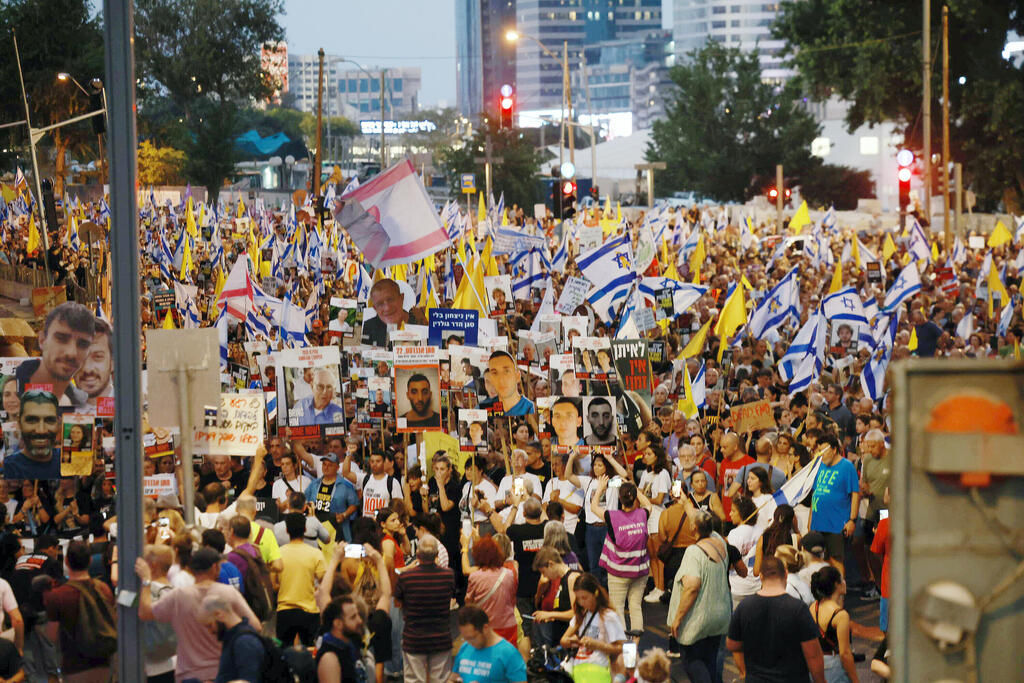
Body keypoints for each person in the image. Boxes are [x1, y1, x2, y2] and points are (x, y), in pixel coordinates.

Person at [135, 547, 260, 683]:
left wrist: (146, 581)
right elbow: (256, 626)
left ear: (191, 569)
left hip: (188, 674)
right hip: (222, 672)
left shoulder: (179, 596)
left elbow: (144, 613)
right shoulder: (228, 593)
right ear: (215, 567)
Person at [726, 556, 827, 683]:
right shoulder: (798, 608)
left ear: (761, 576)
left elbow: (732, 644)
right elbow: (813, 655)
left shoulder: (744, 607)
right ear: (786, 574)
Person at [667, 509, 732, 683]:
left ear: (694, 528)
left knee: (692, 660)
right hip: (719, 615)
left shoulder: (694, 552)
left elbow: (692, 587)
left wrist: (678, 618)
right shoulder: (720, 543)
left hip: (698, 620)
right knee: (710, 660)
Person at [44, 540, 117, 682]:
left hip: (74, 665)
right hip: (103, 663)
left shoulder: (58, 595)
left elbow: (52, 635)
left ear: (66, 561)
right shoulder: (103, 589)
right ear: (90, 561)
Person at [394, 536, 456, 683]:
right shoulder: (448, 575)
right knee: (440, 680)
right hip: (441, 638)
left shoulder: (406, 578)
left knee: (414, 680)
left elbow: (397, 603)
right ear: (436, 555)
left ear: (418, 554)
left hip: (413, 639)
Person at [592, 477, 651, 632]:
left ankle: (623, 643)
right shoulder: (643, 514)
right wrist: (634, 488)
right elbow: (648, 504)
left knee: (617, 608)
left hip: (618, 572)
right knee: (635, 607)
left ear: (620, 498)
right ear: (634, 498)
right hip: (639, 571)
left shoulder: (612, 517)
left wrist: (600, 488)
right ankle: (635, 644)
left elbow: (593, 507)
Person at [15, 302, 95, 408]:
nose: (71, 353)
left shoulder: (83, 403)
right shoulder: (11, 389)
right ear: (42, 340)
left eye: (83, 344)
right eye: (61, 339)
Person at [559, 573, 626, 683]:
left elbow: (621, 648)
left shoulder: (608, 616)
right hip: (578, 670)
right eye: (578, 598)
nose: (581, 602)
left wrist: (598, 645)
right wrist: (572, 641)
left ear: (595, 593)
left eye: (585, 598)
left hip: (599, 670)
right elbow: (563, 640)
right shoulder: (581, 615)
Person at [276, 512, 326, 647]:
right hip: (309, 611)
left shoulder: (278, 553)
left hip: (284, 610)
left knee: (282, 652)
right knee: (311, 650)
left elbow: (274, 584)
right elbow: (324, 581)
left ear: (287, 530)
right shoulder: (316, 554)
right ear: (305, 529)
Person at [809, 432, 859, 563]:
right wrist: (810, 524)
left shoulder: (847, 467)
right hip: (818, 524)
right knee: (818, 562)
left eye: (824, 450)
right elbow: (815, 494)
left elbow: (855, 494)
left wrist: (852, 520)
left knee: (836, 561)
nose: (821, 454)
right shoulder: (819, 466)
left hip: (837, 524)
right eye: (819, 451)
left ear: (834, 449)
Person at [196, 593, 266, 683]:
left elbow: (249, 680)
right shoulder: (234, 639)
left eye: (210, 625)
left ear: (219, 614)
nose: (210, 632)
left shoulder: (244, 642)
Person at [450, 605, 528, 683]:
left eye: (472, 638)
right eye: (465, 638)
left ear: (485, 628)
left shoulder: (508, 653)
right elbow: (452, 678)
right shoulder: (465, 647)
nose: (469, 642)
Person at [463, 535, 518, 645]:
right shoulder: (509, 574)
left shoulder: (475, 576)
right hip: (508, 626)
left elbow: (469, 602)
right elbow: (512, 599)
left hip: (485, 627)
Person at [809, 565, 859, 683]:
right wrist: (855, 680)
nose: (844, 582)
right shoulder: (840, 615)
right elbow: (845, 654)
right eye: (842, 579)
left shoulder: (813, 607)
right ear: (837, 584)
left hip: (817, 665)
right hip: (835, 668)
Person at [3, 391, 61, 480]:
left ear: (58, 423)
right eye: (32, 420)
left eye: (49, 420)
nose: (41, 431)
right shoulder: (8, 467)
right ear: (19, 423)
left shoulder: (69, 460)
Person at [316, 596, 375, 683]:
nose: (359, 620)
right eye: (353, 617)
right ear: (338, 624)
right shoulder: (329, 659)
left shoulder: (348, 647)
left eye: (358, 615)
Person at [303, 452, 359, 542]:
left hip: (338, 529)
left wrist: (344, 515)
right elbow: (305, 500)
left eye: (330, 465)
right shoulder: (314, 484)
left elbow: (354, 504)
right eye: (324, 464)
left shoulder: (345, 485)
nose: (326, 467)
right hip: (317, 528)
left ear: (337, 467)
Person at [531, 546, 581, 647]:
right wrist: (550, 617)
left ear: (551, 564)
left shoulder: (572, 578)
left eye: (543, 572)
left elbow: (577, 614)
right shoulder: (560, 580)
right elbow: (563, 610)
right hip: (559, 636)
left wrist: (550, 614)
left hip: (568, 639)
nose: (544, 576)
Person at [479, 351, 534, 416]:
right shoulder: (483, 409)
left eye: (506, 371)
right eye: (495, 373)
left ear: (517, 376)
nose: (501, 380)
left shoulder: (531, 409)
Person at [362, 278, 410, 347]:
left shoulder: (418, 321)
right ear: (375, 308)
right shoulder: (368, 327)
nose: (387, 308)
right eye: (380, 304)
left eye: (390, 300)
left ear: (401, 298)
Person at [75, 317, 113, 402]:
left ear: (113, 362)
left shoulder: (127, 405)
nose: (87, 368)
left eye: (98, 357)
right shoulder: (59, 405)